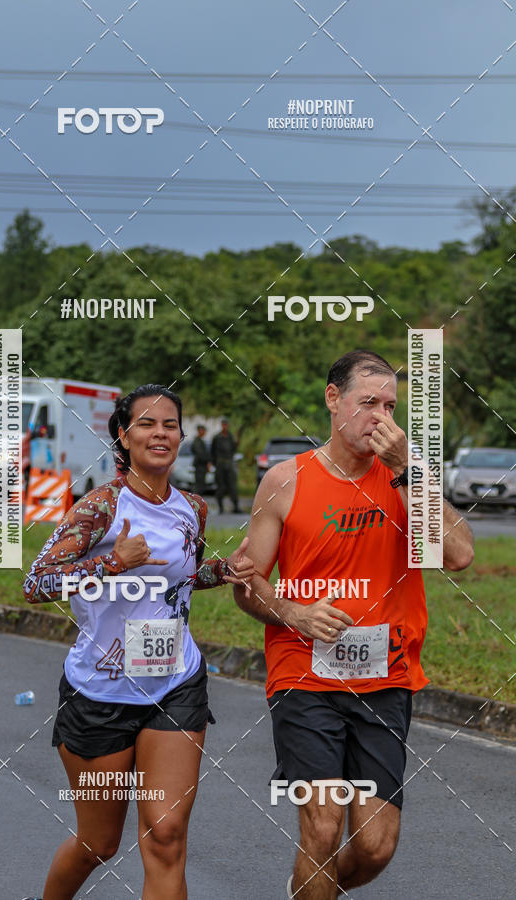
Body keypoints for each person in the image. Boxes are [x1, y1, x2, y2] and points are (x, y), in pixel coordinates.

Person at [233, 350, 474, 899]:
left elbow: (458, 555)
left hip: (385, 678)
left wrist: (410, 469)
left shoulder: (405, 480)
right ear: (332, 399)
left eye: (390, 406)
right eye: (368, 403)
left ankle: (306, 890)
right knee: (322, 827)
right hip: (304, 675)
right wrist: (292, 611)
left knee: (375, 848)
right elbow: (247, 585)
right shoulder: (285, 481)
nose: (381, 418)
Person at [23, 384, 254, 900]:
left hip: (174, 684)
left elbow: (181, 577)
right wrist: (112, 562)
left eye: (169, 424)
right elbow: (37, 583)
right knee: (99, 843)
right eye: (147, 424)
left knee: (166, 836)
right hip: (100, 694)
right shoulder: (101, 507)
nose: (160, 433)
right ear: (124, 437)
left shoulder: (192, 508)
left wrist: (225, 570)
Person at [211, 418, 240, 513]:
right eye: (223, 424)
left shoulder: (231, 436)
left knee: (232, 485)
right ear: (221, 425)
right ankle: (220, 508)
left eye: (226, 425)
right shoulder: (217, 437)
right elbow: (213, 451)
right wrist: (214, 463)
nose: (225, 426)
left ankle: (236, 507)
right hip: (220, 464)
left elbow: (233, 450)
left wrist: (236, 443)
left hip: (229, 464)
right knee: (221, 486)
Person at [191, 424, 211, 494]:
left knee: (201, 485)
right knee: (199, 485)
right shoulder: (197, 441)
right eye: (203, 431)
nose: (204, 432)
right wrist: (208, 461)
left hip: (202, 465)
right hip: (200, 465)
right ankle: (194, 502)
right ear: (199, 431)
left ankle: (197, 502)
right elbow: (200, 454)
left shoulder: (200, 441)